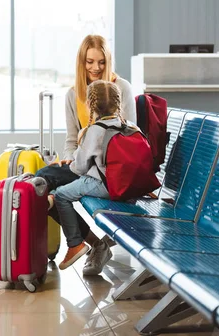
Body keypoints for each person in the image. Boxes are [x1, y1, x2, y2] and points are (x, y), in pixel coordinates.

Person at [36, 35, 135, 274]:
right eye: (89, 62)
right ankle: (94, 244)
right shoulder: (74, 95)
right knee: (41, 186)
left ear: (108, 61)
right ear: (81, 62)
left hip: (110, 171)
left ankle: (86, 244)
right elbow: (72, 141)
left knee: (44, 182)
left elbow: (130, 136)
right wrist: (70, 156)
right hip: (84, 164)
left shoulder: (120, 88)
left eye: (101, 62)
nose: (95, 68)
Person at [49, 80, 134, 271]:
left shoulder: (95, 130)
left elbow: (78, 168)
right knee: (61, 191)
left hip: (105, 185)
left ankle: (75, 243)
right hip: (128, 186)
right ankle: (84, 243)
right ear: (118, 103)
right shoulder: (129, 126)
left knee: (60, 195)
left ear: (89, 105)